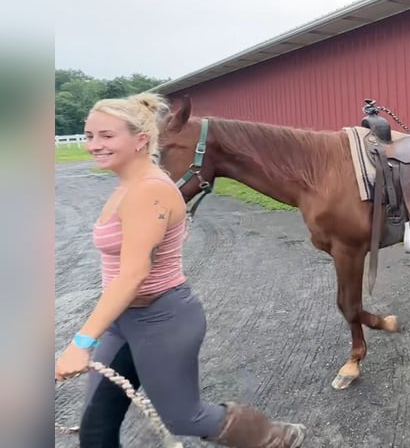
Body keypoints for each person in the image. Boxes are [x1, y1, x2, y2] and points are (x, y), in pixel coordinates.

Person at [54, 93, 306, 448]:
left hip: (162, 320)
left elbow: (133, 273)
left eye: (106, 136)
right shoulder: (125, 187)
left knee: (185, 418)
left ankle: (271, 435)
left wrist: (81, 342)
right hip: (122, 322)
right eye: (89, 135)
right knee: (96, 428)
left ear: (141, 139)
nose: (93, 145)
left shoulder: (150, 191)